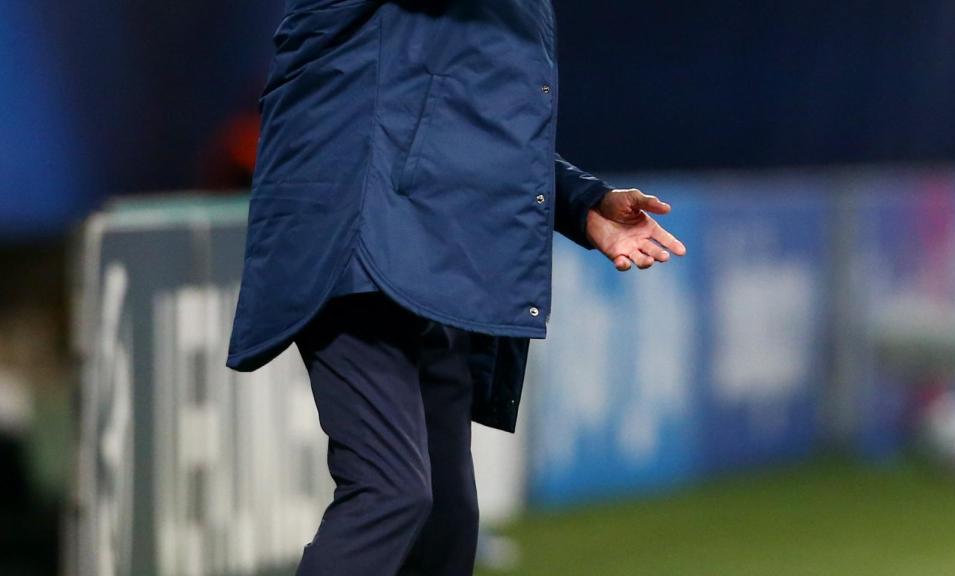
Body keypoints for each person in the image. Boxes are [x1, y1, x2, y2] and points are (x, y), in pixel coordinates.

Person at [226, 1, 687, 574]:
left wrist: (581, 202)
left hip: (425, 255)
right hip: (354, 245)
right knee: (390, 492)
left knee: (448, 518)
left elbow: (467, 121)